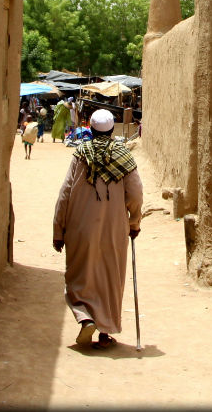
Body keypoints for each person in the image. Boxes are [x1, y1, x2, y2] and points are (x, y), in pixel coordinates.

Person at [53, 109, 143, 349]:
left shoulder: (80, 155)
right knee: (110, 277)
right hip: (114, 229)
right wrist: (134, 222)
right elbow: (135, 194)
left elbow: (65, 194)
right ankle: (105, 332)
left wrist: (58, 230)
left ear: (90, 130)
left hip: (79, 227)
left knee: (79, 275)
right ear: (112, 130)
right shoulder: (124, 156)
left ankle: (85, 317)